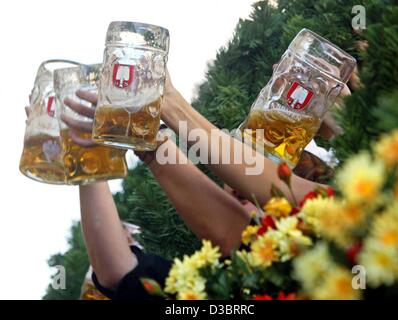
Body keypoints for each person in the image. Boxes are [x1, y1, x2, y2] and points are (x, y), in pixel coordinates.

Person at [56, 64, 351, 299]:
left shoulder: (353, 241)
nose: (239, 180)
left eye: (265, 173)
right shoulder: (221, 285)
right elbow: (122, 274)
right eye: (232, 174)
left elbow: (250, 221)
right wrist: (95, 151)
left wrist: (167, 107)